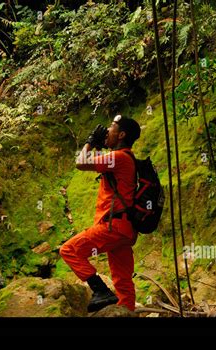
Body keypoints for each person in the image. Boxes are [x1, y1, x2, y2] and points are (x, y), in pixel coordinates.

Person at [60, 115, 141, 312]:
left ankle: (100, 290)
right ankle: (126, 313)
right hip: (125, 231)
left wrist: (90, 142)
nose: (106, 130)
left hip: (112, 227)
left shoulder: (119, 157)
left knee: (69, 250)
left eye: (111, 127)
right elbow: (100, 162)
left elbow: (81, 163)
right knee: (123, 282)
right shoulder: (125, 158)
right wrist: (99, 145)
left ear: (121, 134)